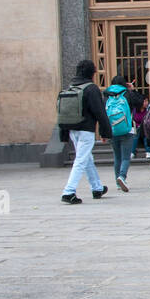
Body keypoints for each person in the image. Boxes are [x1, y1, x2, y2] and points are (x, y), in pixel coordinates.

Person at [58, 59, 112, 204]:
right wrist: (105, 132)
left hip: (72, 129)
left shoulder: (71, 87)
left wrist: (63, 133)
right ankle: (69, 191)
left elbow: (62, 113)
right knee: (81, 160)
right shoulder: (91, 88)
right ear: (91, 73)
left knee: (87, 158)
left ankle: (97, 187)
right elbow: (100, 112)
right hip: (86, 130)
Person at [104, 75, 136, 192]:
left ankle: (118, 183)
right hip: (127, 129)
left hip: (112, 130)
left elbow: (103, 113)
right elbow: (138, 102)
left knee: (117, 157)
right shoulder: (127, 93)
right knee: (126, 157)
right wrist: (131, 90)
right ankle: (122, 177)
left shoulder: (106, 94)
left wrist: (103, 132)